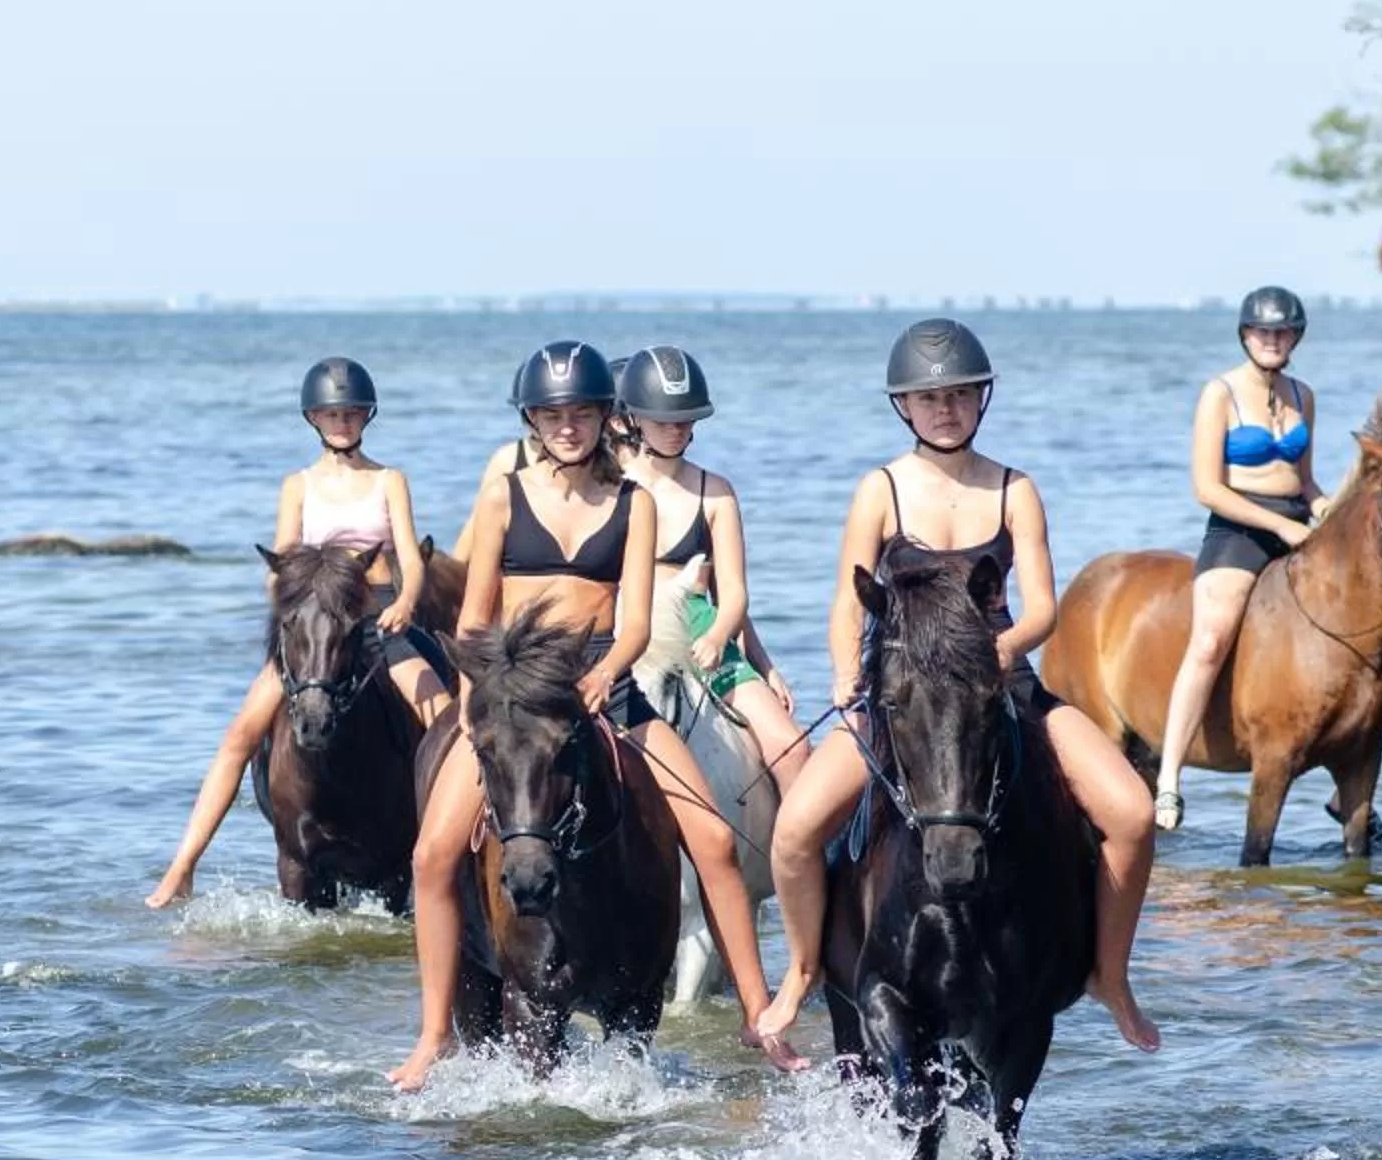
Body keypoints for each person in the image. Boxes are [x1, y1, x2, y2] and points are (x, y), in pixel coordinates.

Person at [392, 340, 800, 1089]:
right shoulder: (503, 495)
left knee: (713, 839)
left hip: (605, 686)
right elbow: (475, 617)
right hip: (516, 693)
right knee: (430, 856)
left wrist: (604, 675)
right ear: (533, 420)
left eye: (581, 412)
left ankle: (757, 1015)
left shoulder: (633, 503)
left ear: (606, 417)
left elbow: (636, 621)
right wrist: (483, 700)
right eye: (553, 415)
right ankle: (432, 1036)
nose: (568, 426)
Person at [756, 319, 1160, 1054]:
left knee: (1132, 812)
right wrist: (846, 674)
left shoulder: (1015, 489)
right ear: (904, 407)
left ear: (981, 400)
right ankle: (803, 969)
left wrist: (994, 652)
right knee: (794, 832)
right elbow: (848, 599)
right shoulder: (880, 490)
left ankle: (1111, 975)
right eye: (929, 398)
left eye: (960, 395)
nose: (946, 409)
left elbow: (1042, 607)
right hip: (904, 695)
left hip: (1001, 684)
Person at [148, 357, 450, 907]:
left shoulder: (389, 480)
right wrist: (287, 607)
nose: (343, 421)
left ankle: (470, 849)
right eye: (332, 413)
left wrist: (407, 602)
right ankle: (182, 866)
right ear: (314, 418)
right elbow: (283, 558)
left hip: (376, 616)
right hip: (314, 622)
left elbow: (410, 555)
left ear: (367, 416)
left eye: (352, 412)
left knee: (444, 715)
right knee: (240, 735)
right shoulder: (298, 485)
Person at [1151, 285, 1327, 832]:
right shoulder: (1219, 393)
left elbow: (1305, 481)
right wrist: (1280, 526)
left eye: (1283, 331)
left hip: (1295, 522)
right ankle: (1169, 777)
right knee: (1210, 640)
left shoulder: (1303, 395)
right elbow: (1207, 488)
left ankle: (1349, 783)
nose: (1273, 339)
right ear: (1246, 335)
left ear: (1295, 337)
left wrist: (1326, 508)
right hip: (1238, 528)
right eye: (1263, 331)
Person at [610, 343, 813, 803]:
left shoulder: (715, 493)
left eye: (685, 420)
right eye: (663, 421)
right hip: (629, 631)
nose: (676, 430)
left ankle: (797, 848)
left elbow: (734, 594)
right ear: (633, 419)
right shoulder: (609, 488)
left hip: (701, 633)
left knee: (792, 749)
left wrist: (724, 640)